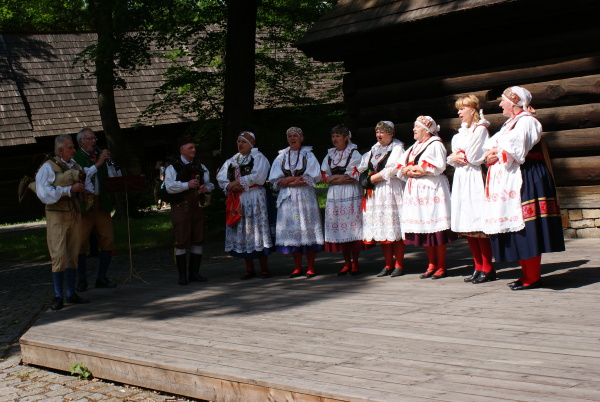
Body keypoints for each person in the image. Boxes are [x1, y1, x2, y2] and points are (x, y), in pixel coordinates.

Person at [482, 86, 565, 290]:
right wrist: (492, 153)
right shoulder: (510, 124)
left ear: (513, 103)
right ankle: (526, 273)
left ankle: (533, 276)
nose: (501, 104)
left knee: (527, 227)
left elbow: (516, 149)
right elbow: (491, 148)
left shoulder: (527, 121)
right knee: (516, 227)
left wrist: (496, 151)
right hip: (512, 176)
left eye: (503, 101)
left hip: (527, 175)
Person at [35, 134, 92, 311]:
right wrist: (68, 189)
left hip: (74, 214)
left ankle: (71, 293)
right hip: (57, 216)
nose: (74, 150)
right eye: (70, 148)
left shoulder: (75, 166)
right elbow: (43, 193)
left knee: (73, 254)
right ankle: (59, 295)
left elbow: (88, 183)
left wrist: (85, 191)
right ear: (60, 150)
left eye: (73, 147)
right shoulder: (48, 167)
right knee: (59, 255)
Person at [398, 116, 456, 279]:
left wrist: (418, 168)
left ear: (426, 129)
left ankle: (442, 265)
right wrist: (407, 170)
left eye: (417, 127)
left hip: (432, 190)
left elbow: (439, 165)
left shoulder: (435, 144)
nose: (414, 130)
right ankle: (431, 264)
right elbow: (400, 165)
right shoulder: (414, 147)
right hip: (416, 191)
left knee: (435, 228)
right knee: (424, 228)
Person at [447, 96, 496, 284]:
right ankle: (477, 266)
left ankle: (488, 267)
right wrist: (455, 157)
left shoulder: (480, 129)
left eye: (463, 108)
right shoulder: (460, 134)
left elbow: (474, 156)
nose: (459, 113)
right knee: (467, 223)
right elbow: (453, 155)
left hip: (475, 177)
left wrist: (459, 156)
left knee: (478, 223)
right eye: (458, 109)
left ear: (473, 110)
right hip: (462, 177)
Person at [217, 131, 274, 280]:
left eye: (243, 142)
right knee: (244, 232)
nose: (240, 144)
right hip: (239, 200)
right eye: (238, 141)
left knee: (257, 231)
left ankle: (264, 268)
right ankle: (249, 269)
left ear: (251, 143)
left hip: (255, 198)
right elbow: (221, 178)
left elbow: (259, 177)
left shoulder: (258, 157)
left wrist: (239, 183)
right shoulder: (232, 160)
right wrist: (230, 186)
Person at [269, 127, 324, 278]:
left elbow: (314, 176)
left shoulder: (308, 155)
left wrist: (289, 181)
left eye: (295, 136)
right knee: (294, 230)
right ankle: (298, 267)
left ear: (301, 138)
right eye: (290, 136)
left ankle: (311, 267)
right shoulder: (281, 157)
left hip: (305, 197)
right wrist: (290, 181)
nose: (292, 139)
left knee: (307, 228)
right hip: (288, 198)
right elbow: (275, 179)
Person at [74, 128, 121, 291]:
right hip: (84, 206)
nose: (94, 141)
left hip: (102, 204)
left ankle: (101, 277)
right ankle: (81, 279)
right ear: (81, 142)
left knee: (108, 241)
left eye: (94, 138)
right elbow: (82, 176)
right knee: (80, 243)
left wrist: (110, 163)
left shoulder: (100, 156)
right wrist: (99, 162)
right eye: (89, 139)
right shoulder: (76, 158)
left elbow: (114, 178)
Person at [165, 135, 214, 285]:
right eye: (190, 147)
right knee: (181, 240)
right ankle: (182, 275)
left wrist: (206, 188)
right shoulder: (172, 167)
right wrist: (187, 185)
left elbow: (210, 184)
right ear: (182, 149)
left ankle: (194, 273)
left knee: (198, 239)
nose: (194, 150)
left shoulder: (201, 166)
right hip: (181, 207)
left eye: (194, 147)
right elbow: (169, 187)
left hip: (197, 207)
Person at [359, 121, 406, 277]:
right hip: (376, 192)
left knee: (393, 227)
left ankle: (399, 264)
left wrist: (373, 178)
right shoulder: (374, 150)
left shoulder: (397, 148)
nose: (379, 135)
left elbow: (393, 168)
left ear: (391, 134)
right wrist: (366, 177)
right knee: (383, 229)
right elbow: (362, 168)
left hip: (390, 189)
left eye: (382, 132)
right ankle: (387, 264)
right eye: (377, 132)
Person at [321, 125, 364, 276]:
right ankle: (346, 263)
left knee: (352, 226)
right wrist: (336, 179)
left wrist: (334, 178)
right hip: (335, 195)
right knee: (340, 227)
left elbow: (351, 175)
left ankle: (355, 263)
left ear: (346, 137)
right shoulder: (329, 155)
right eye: (333, 136)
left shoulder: (354, 153)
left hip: (350, 193)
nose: (334, 139)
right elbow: (324, 176)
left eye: (338, 136)